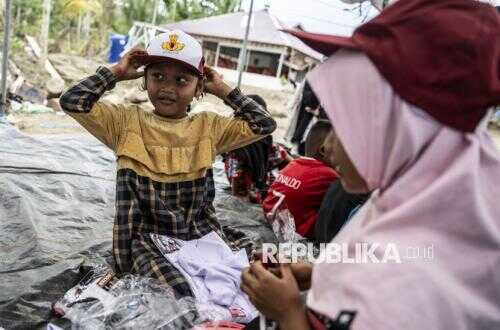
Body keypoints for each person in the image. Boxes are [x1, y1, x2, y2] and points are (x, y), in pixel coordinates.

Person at [241, 0, 500, 329]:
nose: (325, 144)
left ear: (399, 127)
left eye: (343, 121)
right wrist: (320, 270)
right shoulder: (436, 188)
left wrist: (287, 312)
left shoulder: (417, 288)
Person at [59, 30, 276, 298]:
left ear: (199, 88)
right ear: (144, 79)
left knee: (244, 280)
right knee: (182, 293)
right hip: (146, 243)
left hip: (199, 236)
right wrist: (115, 72)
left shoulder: (209, 126)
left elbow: (265, 124)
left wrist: (222, 89)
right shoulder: (125, 123)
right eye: (157, 76)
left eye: (181, 80)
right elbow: (72, 101)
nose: (167, 88)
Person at [262, 120, 339, 241]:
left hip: (270, 221)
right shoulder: (329, 175)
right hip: (294, 235)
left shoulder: (294, 164)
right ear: (323, 151)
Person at [223, 94, 291, 204]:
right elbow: (293, 165)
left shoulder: (234, 155)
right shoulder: (271, 146)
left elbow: (239, 194)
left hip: (250, 203)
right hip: (271, 198)